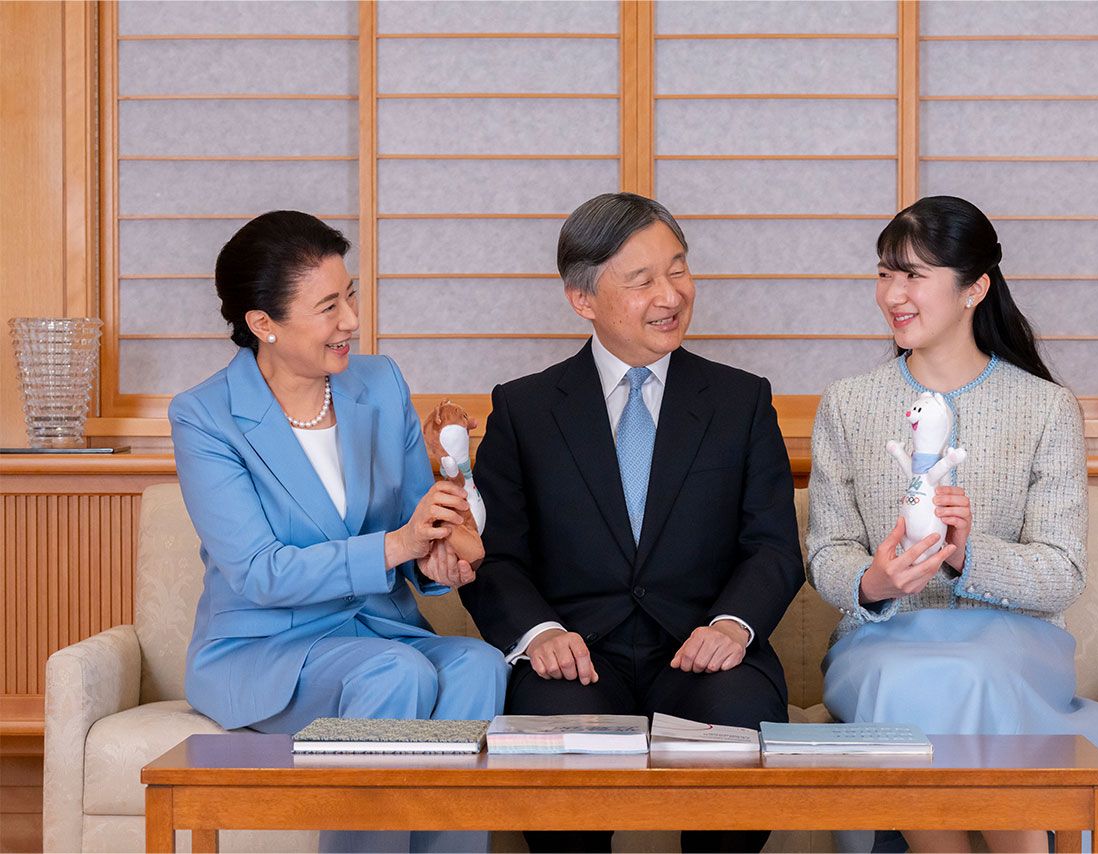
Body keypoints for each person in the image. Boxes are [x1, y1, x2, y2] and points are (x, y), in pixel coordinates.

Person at [460, 193, 805, 853]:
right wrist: (540, 634)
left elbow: (773, 548)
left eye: (678, 270)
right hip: (578, 657)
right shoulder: (525, 408)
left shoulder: (741, 400)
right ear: (582, 299)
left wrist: (732, 625)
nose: (670, 294)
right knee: (552, 749)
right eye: (642, 279)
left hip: (706, 649)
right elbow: (495, 556)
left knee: (738, 721)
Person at [170, 210, 507, 853]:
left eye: (349, 294)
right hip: (268, 651)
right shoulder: (206, 418)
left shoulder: (379, 385)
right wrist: (397, 547)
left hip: (379, 634)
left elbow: (416, 527)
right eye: (329, 306)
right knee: (397, 674)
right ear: (263, 324)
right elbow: (259, 571)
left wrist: (432, 560)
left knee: (478, 666)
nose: (351, 319)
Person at [807, 196, 1098, 854]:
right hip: (881, 643)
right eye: (884, 273)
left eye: (915, 276)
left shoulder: (1045, 409)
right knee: (906, 681)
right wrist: (873, 581)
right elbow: (826, 552)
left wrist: (966, 558)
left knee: (968, 675)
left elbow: (1062, 573)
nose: (894, 294)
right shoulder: (848, 404)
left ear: (975, 288)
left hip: (1011, 644)